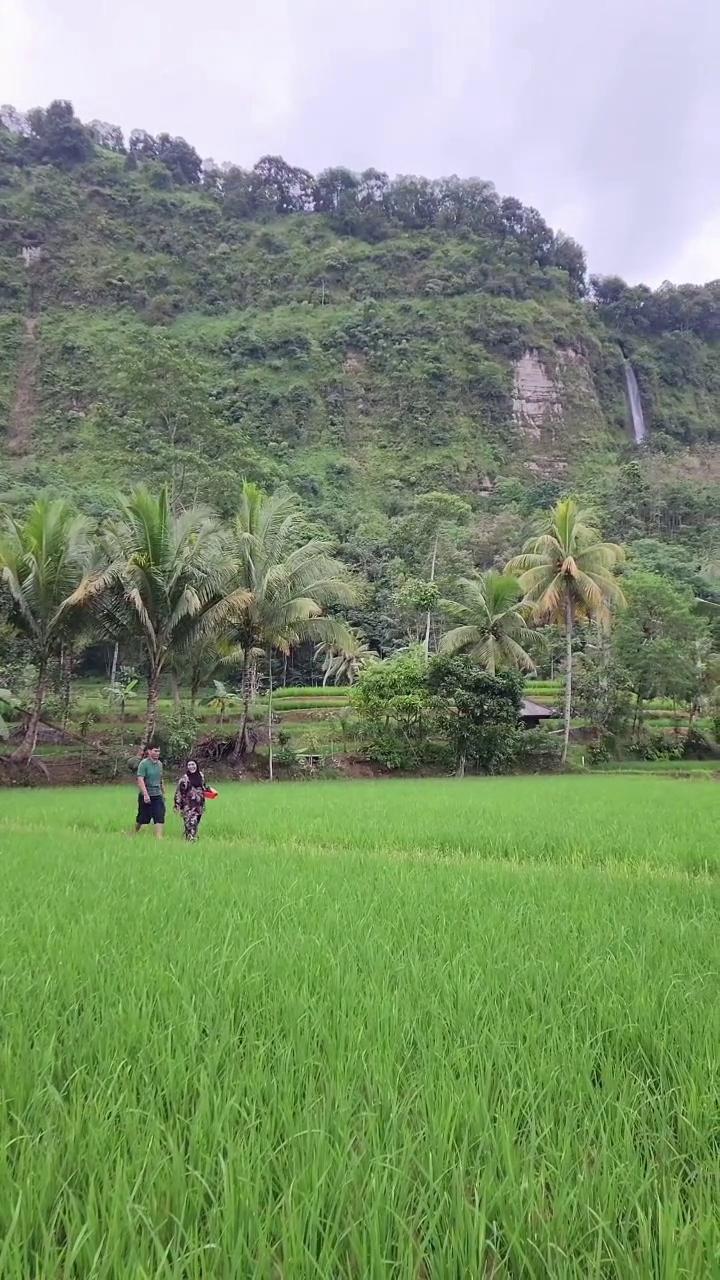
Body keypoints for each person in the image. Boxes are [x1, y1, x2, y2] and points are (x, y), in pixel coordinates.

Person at [135, 744, 166, 838]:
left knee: (159, 815)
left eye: (158, 751)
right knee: (143, 818)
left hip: (157, 794)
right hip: (146, 794)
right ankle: (135, 832)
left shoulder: (159, 764)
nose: (157, 753)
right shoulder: (144, 764)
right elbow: (140, 779)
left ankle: (159, 837)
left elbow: (160, 778)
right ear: (149, 751)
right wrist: (145, 794)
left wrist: (163, 792)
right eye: (155, 751)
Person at [173, 759, 207, 841]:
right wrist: (177, 805)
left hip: (199, 805)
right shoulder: (184, 779)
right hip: (188, 806)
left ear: (196, 765)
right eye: (189, 765)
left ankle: (190, 839)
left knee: (195, 824)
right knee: (191, 824)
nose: (191, 767)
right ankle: (191, 840)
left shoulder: (201, 776)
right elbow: (179, 793)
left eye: (193, 764)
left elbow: (203, 787)